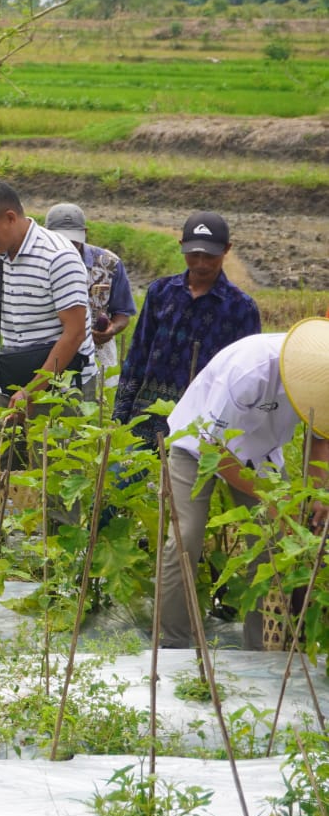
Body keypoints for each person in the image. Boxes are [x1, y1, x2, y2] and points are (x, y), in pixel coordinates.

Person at [157, 319, 329, 649]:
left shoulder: (322, 375)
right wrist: (268, 496)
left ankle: (263, 648)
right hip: (198, 446)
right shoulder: (251, 369)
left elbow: (318, 439)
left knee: (274, 543)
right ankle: (173, 643)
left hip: (260, 454)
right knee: (185, 536)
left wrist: (317, 495)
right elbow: (212, 447)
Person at [0, 180, 96, 518]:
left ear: (10, 217)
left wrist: (34, 391)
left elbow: (73, 334)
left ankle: (61, 565)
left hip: (61, 388)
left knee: (58, 483)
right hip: (13, 382)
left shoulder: (58, 257)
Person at [113, 211, 260, 450]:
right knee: (129, 481)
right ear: (182, 246)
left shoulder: (240, 307)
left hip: (203, 422)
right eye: (194, 255)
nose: (201, 263)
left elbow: (246, 375)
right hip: (147, 418)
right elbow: (137, 356)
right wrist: (121, 416)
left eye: (210, 256)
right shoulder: (161, 292)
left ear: (226, 249)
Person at [43, 203, 136, 382]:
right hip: (50, 351)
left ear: (85, 232)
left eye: (73, 240)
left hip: (98, 353)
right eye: (61, 240)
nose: (68, 246)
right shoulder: (39, 263)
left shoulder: (109, 264)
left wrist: (110, 330)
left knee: (99, 405)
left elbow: (122, 314)